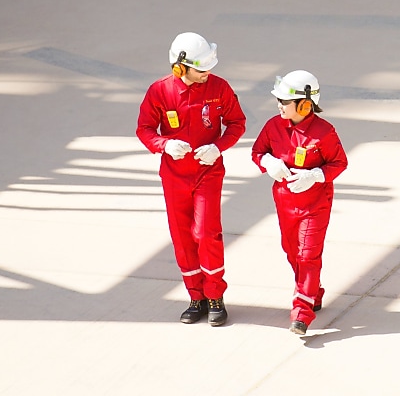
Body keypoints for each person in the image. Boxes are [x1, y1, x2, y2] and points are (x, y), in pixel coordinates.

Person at [136, 32, 246, 326]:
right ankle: (195, 297)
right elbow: (145, 129)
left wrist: (218, 147)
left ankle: (215, 297)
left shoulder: (219, 87)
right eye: (201, 69)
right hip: (174, 176)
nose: (207, 74)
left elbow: (237, 123)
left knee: (207, 232)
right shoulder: (159, 92)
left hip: (207, 172)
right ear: (179, 68)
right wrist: (165, 145)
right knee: (183, 237)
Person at [251, 70, 348, 335]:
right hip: (284, 202)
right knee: (292, 250)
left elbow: (340, 162)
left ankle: (301, 312)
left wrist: (316, 175)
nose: (279, 105)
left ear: (305, 104)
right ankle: (312, 292)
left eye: (284, 101)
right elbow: (258, 152)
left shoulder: (324, 132)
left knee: (307, 255)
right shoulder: (273, 126)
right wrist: (268, 162)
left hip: (315, 204)